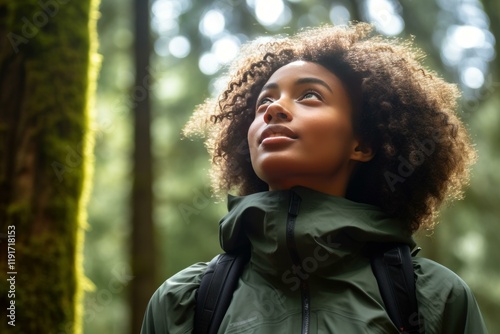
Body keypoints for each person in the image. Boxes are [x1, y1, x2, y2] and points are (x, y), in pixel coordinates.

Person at [141, 23, 488, 333]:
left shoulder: (432, 297)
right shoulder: (184, 302)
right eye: (264, 102)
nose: (272, 110)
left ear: (362, 144)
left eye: (310, 95)